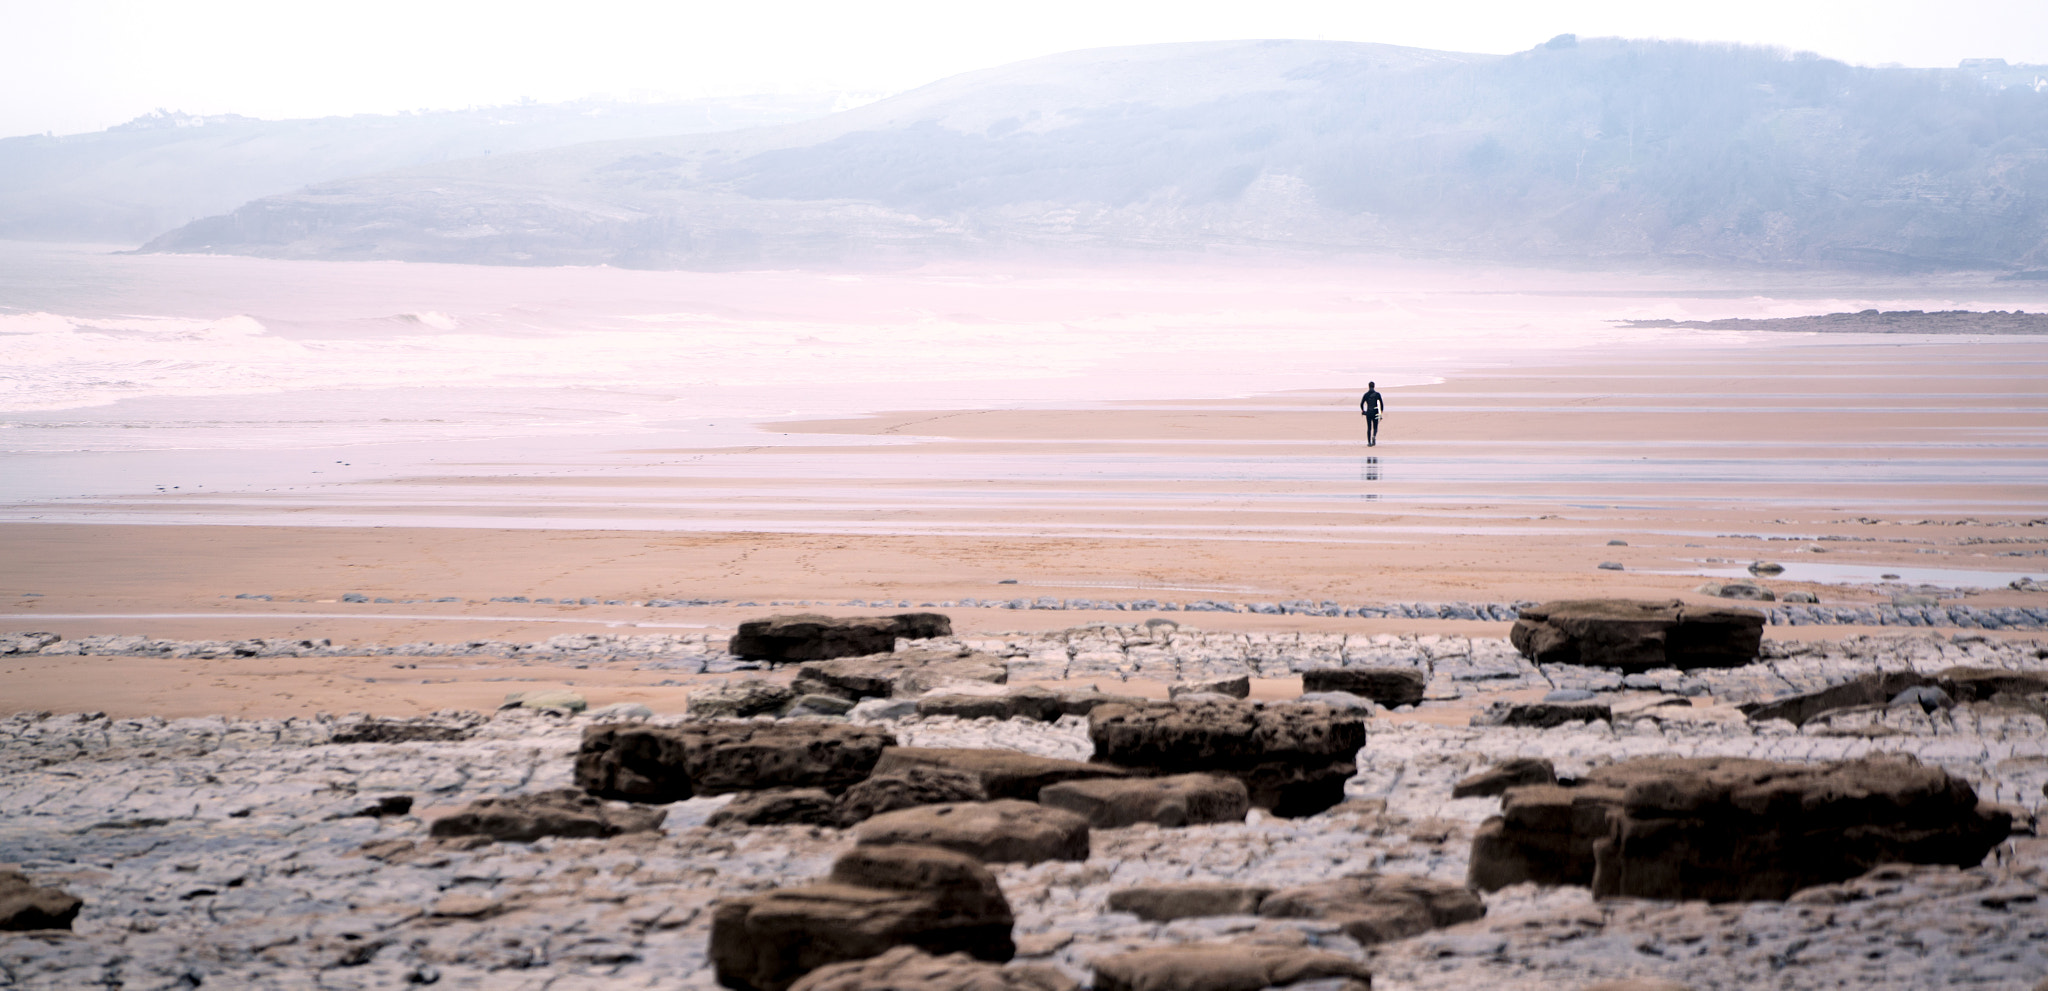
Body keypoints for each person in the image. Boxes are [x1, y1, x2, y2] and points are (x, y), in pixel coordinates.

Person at [1359, 381, 1384, 446]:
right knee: (1375, 427)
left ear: (1368, 386)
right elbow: (1381, 403)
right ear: (1374, 386)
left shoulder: (1366, 395)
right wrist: (1381, 412)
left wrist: (1363, 411)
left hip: (1368, 413)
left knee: (1369, 428)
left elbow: (1361, 404)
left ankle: (1369, 442)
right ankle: (1374, 436)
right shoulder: (1377, 394)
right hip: (1375, 412)